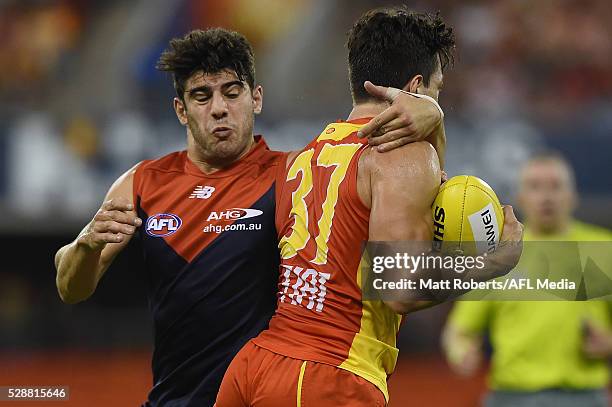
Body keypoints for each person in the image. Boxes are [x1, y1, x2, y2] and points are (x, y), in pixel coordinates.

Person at [53, 28, 445, 406]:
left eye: (232, 92)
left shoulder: (293, 173)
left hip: (268, 386)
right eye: (202, 96)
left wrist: (430, 119)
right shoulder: (143, 182)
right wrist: (85, 244)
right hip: (177, 398)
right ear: (181, 110)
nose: (220, 108)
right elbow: (71, 287)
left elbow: (394, 210)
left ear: (256, 99)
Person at [216, 7, 523, 407]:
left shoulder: (304, 156)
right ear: (415, 86)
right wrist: (496, 262)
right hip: (331, 375)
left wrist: (436, 119)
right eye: (437, 89)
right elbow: (400, 289)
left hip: (255, 364)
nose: (437, 99)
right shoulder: (403, 158)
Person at [443, 152, 612, 407]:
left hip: (584, 397)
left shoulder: (604, 250)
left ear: (573, 195)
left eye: (555, 186)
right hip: (511, 397)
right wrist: (460, 352)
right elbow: (459, 331)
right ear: (520, 197)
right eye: (535, 186)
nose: (546, 196)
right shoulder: (500, 255)